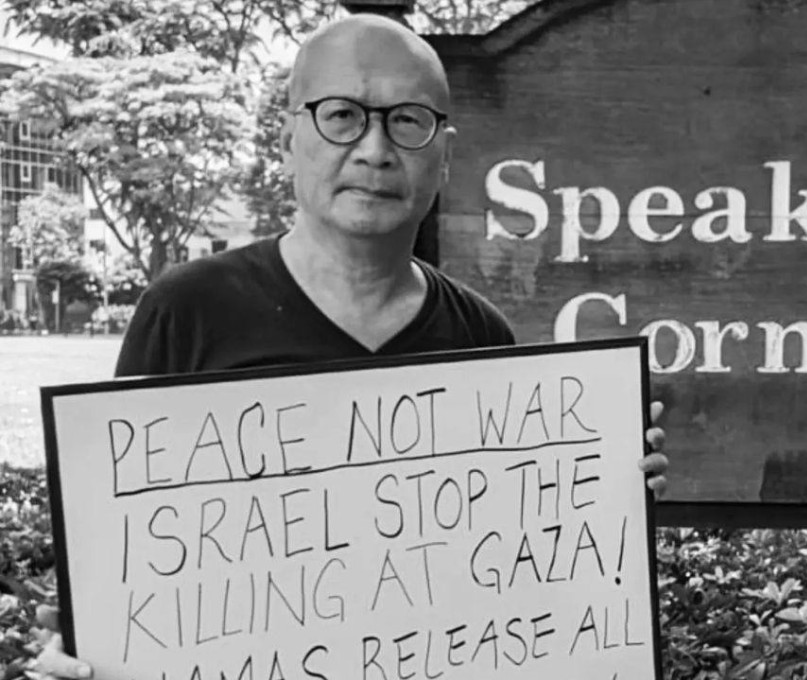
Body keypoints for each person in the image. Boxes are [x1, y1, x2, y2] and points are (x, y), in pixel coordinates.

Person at [29, 13, 669, 680]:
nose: (374, 149)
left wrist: (607, 495)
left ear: (444, 155)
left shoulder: (482, 340)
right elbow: (124, 561)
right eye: (342, 116)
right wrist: (84, 645)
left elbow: (516, 590)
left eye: (407, 121)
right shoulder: (188, 311)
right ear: (288, 139)